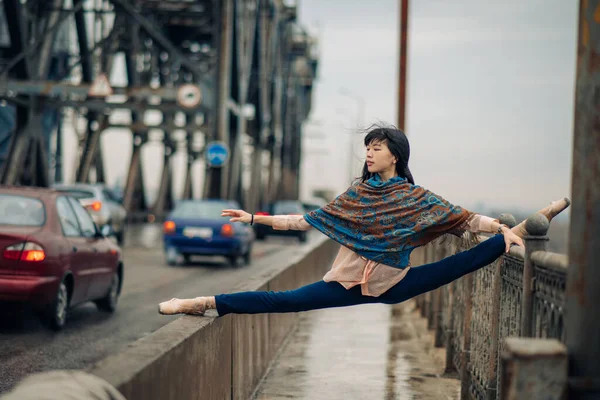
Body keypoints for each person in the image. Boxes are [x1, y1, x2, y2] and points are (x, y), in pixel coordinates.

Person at [158, 126, 570, 317]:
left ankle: (519, 230)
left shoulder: (413, 198)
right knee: (282, 301)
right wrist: (253, 218)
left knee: (458, 264)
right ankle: (203, 304)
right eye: (367, 148)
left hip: (393, 283)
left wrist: (496, 228)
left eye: (376, 148)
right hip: (345, 282)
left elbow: (458, 217)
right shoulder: (357, 196)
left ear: (395, 155)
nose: (369, 154)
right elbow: (306, 221)